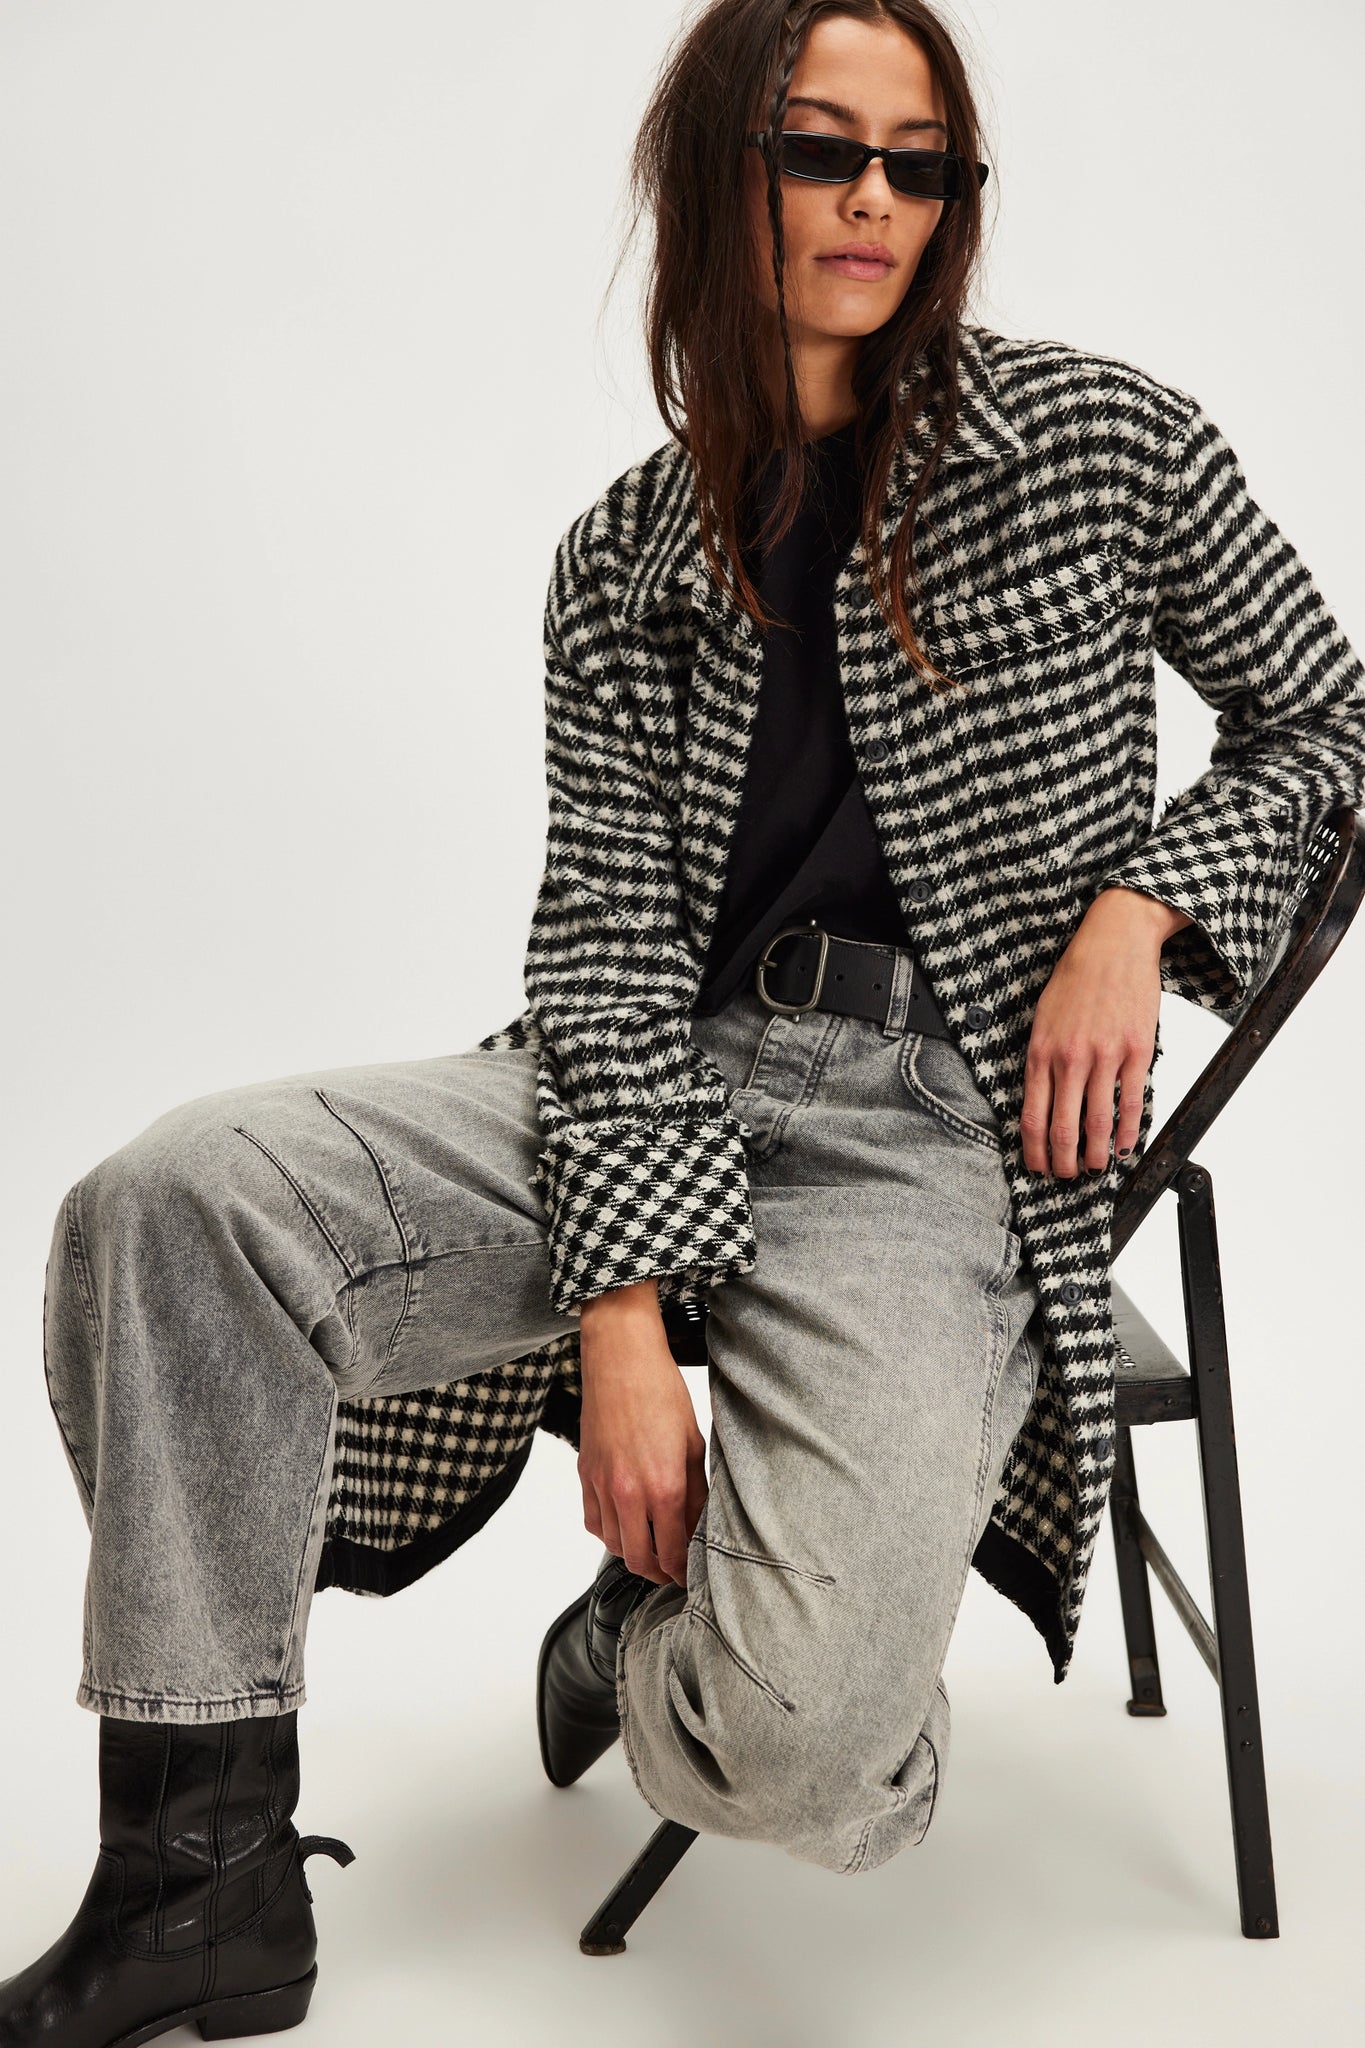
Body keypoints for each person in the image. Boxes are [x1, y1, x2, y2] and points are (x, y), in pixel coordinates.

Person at [6, 1, 1365, 2038]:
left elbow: (1328, 719)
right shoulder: (622, 561)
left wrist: (1144, 901)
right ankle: (199, 1875)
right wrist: (622, 1319)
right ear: (718, 169)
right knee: (175, 1201)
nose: (875, 199)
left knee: (803, 1755)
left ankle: (636, 1643)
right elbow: (608, 946)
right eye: (823, 149)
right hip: (644, 1078)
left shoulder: (1102, 445)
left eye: (919, 164)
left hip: (939, 1135)